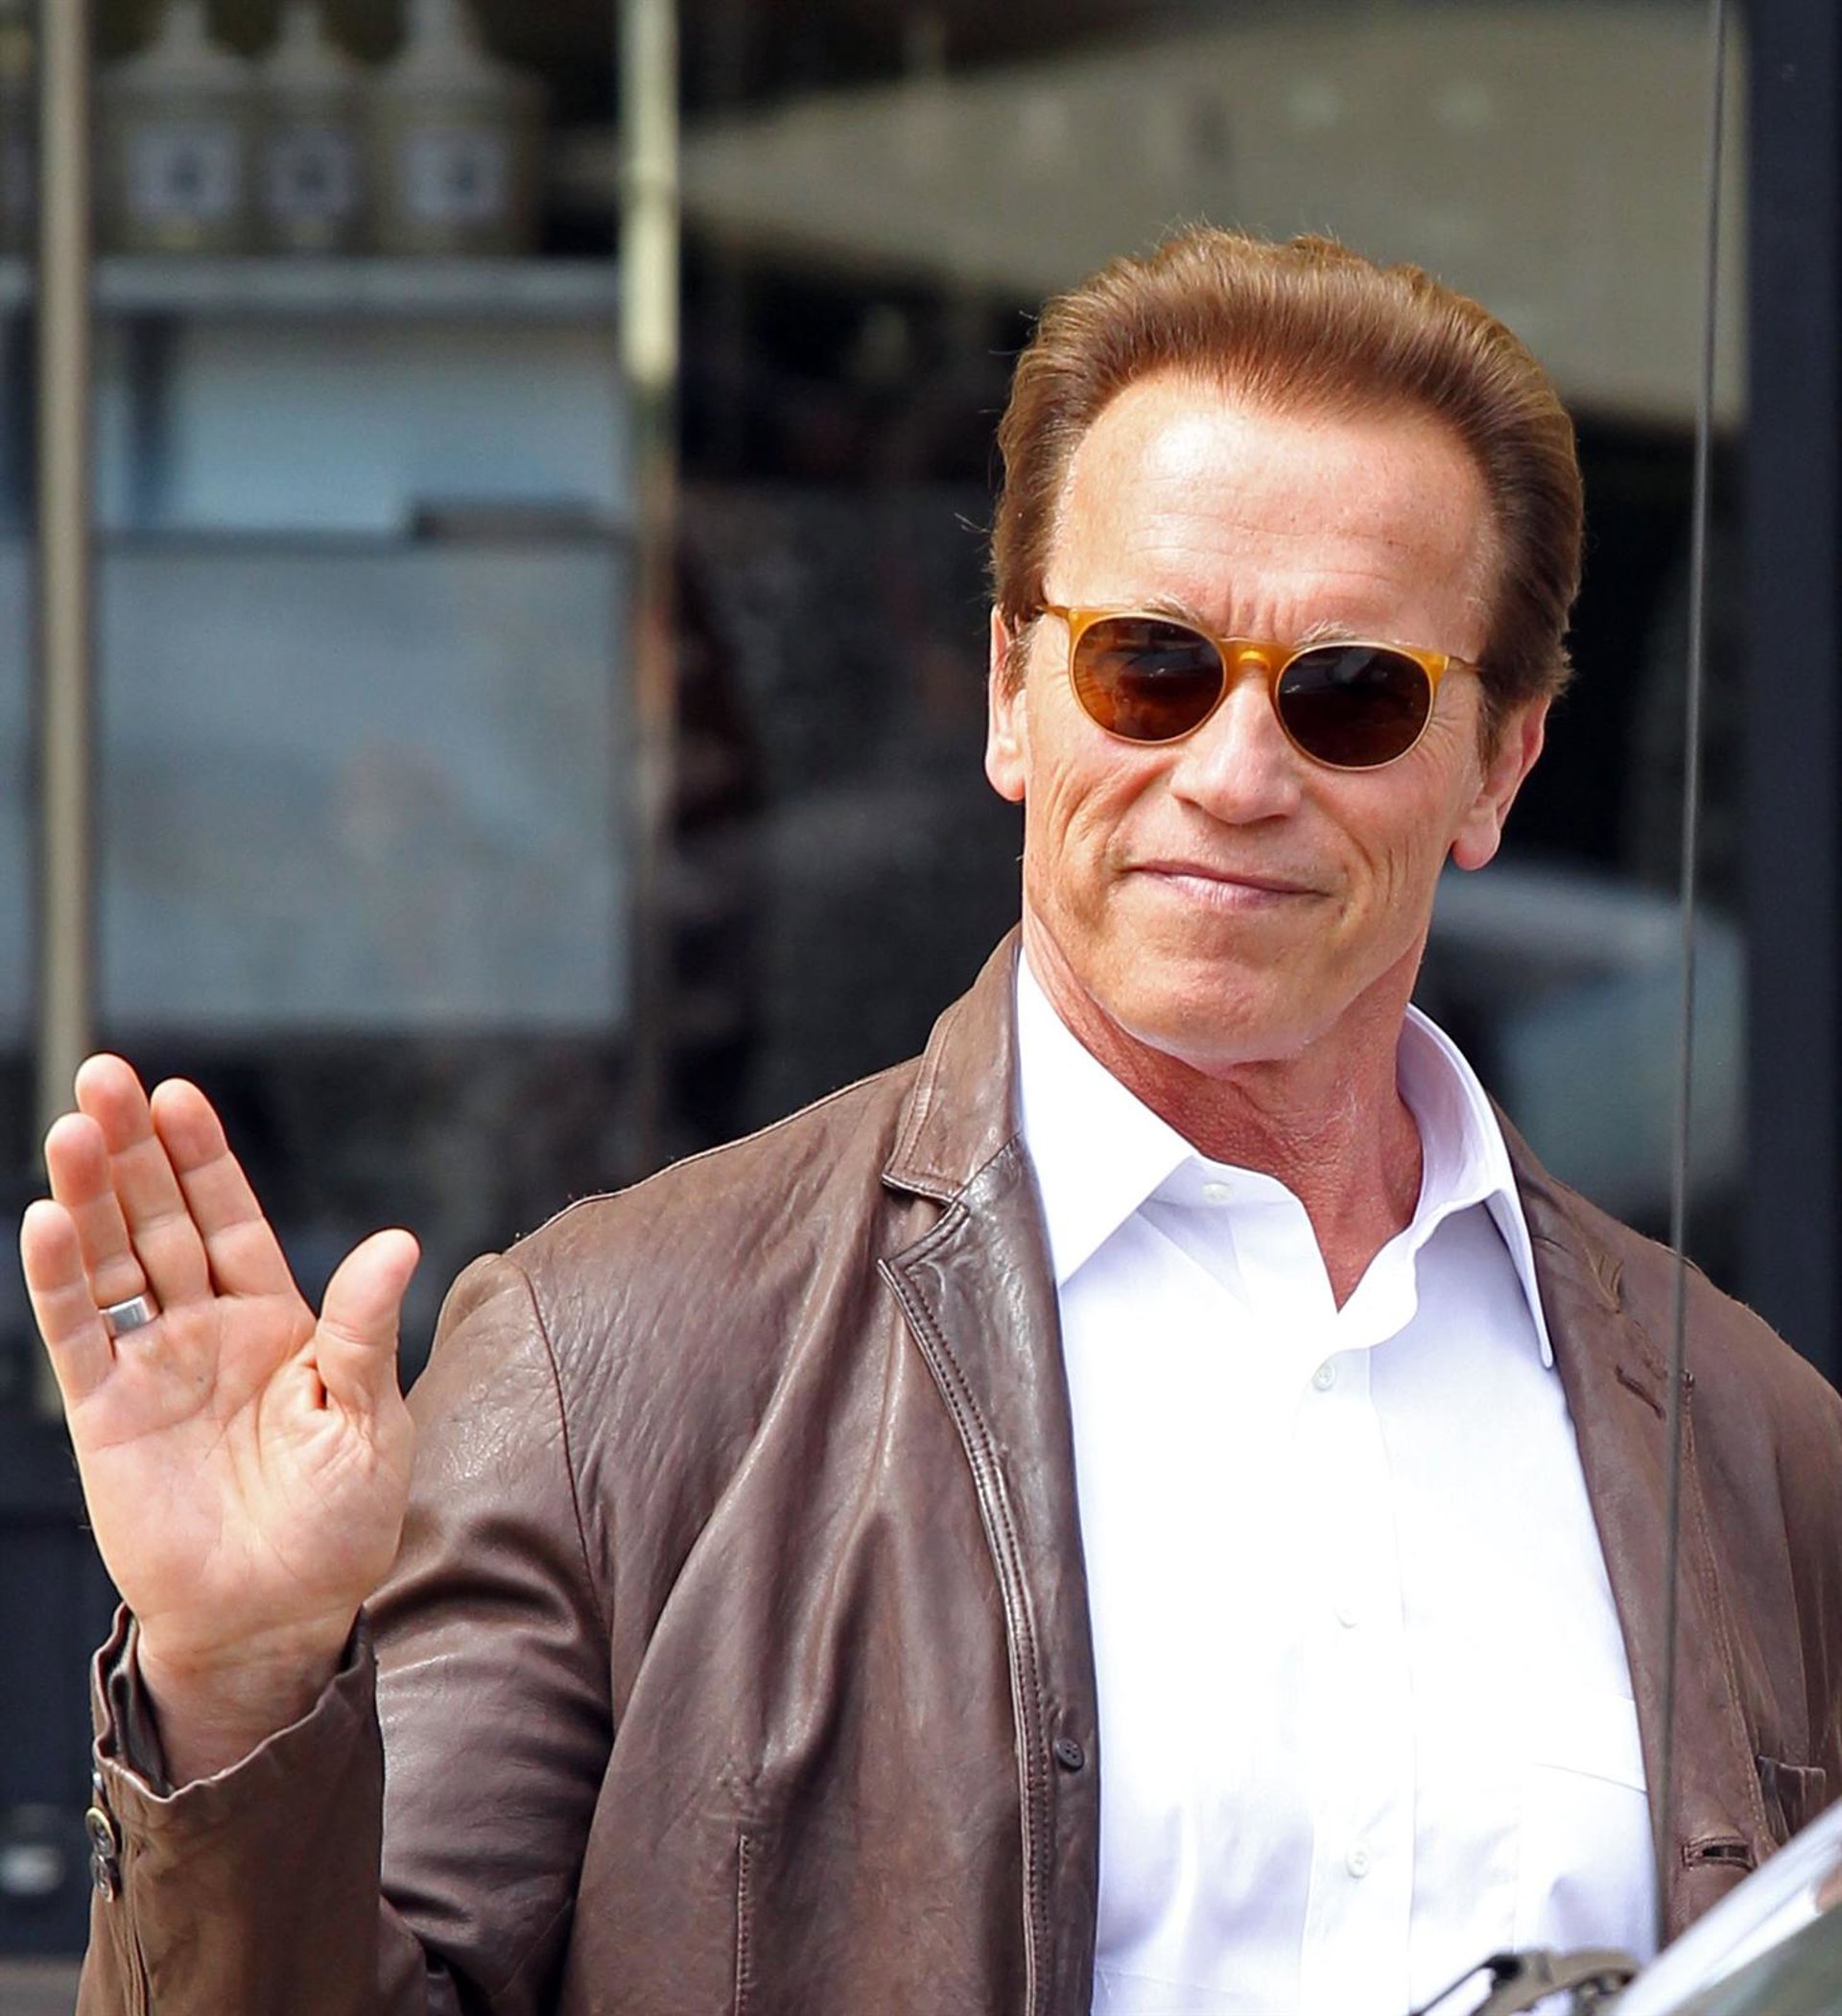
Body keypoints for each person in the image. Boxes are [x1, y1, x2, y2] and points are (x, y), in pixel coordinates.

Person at [25, 228, 1842, 2016]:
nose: (1234, 773)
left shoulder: (1753, 1443)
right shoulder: (615, 1367)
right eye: (1150, 665)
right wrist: (242, 1684)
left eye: (1351, 695)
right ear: (1009, 696)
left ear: (1502, 762)